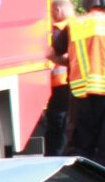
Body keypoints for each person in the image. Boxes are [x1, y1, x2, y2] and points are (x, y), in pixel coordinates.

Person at [53, 0, 105, 162]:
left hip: (81, 93)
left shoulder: (76, 24)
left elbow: (50, 53)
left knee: (80, 148)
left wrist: (71, 62)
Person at [45, 0, 74, 155]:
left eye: (52, 12)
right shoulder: (80, 26)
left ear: (58, 10)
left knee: (57, 126)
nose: (51, 16)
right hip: (75, 84)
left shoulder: (60, 29)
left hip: (61, 84)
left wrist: (65, 63)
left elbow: (49, 54)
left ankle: (55, 158)